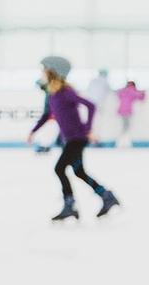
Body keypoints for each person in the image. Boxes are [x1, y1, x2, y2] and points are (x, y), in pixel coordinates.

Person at [27, 55, 120, 221]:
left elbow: (90, 105)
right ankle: (106, 196)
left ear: (53, 71)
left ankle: (69, 205)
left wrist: (87, 129)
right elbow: (46, 114)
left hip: (77, 138)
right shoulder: (51, 93)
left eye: (44, 69)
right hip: (68, 139)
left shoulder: (66, 92)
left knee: (60, 168)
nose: (42, 73)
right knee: (79, 172)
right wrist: (33, 132)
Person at [114, 79, 146, 148]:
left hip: (121, 110)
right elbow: (141, 97)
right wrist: (143, 93)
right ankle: (123, 142)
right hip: (127, 111)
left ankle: (122, 142)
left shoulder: (122, 91)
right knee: (126, 127)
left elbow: (117, 93)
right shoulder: (132, 91)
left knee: (125, 126)